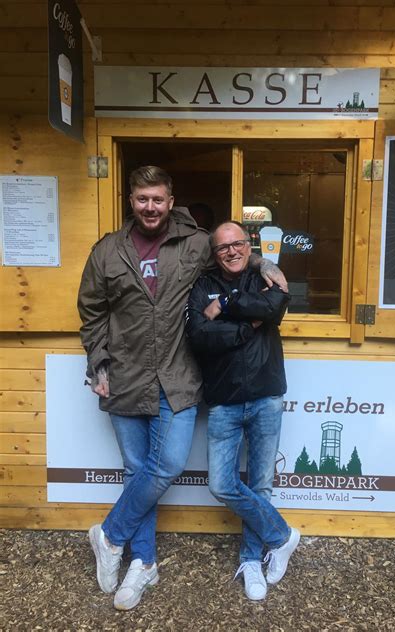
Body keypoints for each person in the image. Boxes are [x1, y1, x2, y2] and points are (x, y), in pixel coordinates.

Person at [77, 166, 287, 611]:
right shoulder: (107, 251)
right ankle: (143, 563)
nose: (150, 207)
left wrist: (263, 262)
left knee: (166, 465)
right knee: (137, 472)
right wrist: (98, 360)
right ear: (130, 201)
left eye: (158, 199)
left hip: (177, 377)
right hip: (125, 377)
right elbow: (91, 311)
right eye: (142, 199)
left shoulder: (194, 243)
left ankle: (110, 535)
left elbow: (231, 254)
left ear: (171, 202)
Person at [185, 221, 300, 601]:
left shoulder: (263, 274)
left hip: (266, 395)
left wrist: (226, 305)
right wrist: (247, 327)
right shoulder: (202, 286)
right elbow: (199, 336)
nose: (231, 251)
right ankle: (281, 536)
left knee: (261, 484)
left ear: (249, 245)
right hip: (224, 400)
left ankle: (251, 560)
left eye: (237, 244)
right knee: (221, 485)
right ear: (214, 253)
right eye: (223, 248)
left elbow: (275, 305)